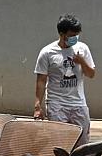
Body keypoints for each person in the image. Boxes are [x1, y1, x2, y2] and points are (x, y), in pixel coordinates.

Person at [33, 14, 96, 144]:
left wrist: (82, 62)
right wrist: (37, 106)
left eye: (77, 35)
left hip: (78, 103)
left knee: (82, 142)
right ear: (62, 34)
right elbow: (41, 80)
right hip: (57, 105)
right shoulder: (47, 52)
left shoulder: (82, 49)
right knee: (59, 143)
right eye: (72, 35)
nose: (75, 38)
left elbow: (91, 74)